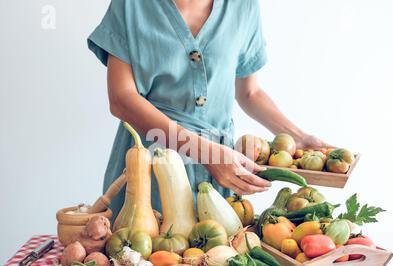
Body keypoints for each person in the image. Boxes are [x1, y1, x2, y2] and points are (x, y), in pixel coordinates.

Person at [88, 0, 329, 220]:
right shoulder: (131, 6)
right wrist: (206, 153)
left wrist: (298, 137)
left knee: (214, 260)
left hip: (219, 172)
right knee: (139, 264)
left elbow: (249, 92)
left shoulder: (243, 7)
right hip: (148, 171)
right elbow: (121, 99)